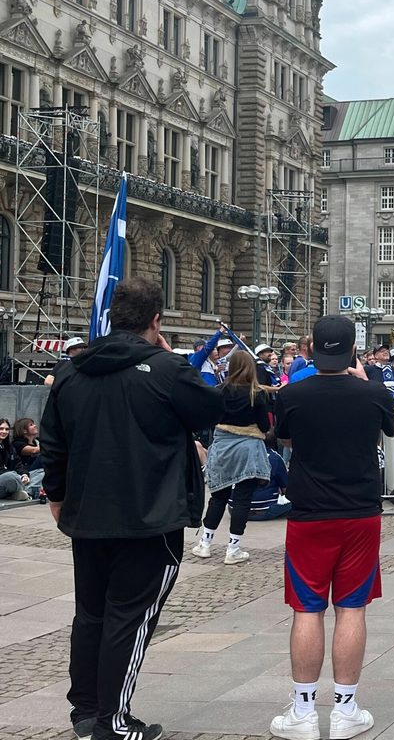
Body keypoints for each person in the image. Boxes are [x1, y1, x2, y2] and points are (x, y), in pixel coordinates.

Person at [40, 277, 224, 740]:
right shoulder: (164, 369)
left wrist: (58, 497)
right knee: (131, 616)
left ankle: (86, 712)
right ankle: (113, 722)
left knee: (92, 614)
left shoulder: (71, 372)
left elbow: (53, 445)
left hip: (88, 514)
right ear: (155, 321)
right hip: (150, 515)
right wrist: (166, 356)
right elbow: (208, 410)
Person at [270, 315, 394, 740]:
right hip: (360, 510)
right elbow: (390, 429)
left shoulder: (292, 394)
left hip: (309, 511)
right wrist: (363, 381)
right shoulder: (373, 393)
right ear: (353, 351)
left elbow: (285, 439)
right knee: (352, 607)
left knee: (307, 608)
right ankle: (346, 708)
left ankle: (303, 711)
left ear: (310, 351)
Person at [191, 350, 272, 564]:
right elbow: (265, 426)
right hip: (248, 449)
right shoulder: (258, 394)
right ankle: (233, 548)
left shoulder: (219, 391)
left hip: (223, 448)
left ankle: (205, 544)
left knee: (218, 496)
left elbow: (209, 418)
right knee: (243, 499)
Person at [0, 418, 31, 501]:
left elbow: (18, 464)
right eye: (1, 428)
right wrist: (19, 477)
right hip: (4, 479)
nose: (4, 431)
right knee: (10, 476)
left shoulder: (9, 447)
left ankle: (17, 493)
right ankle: (27, 491)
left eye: (6, 429)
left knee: (40, 473)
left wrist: (25, 475)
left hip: (14, 480)